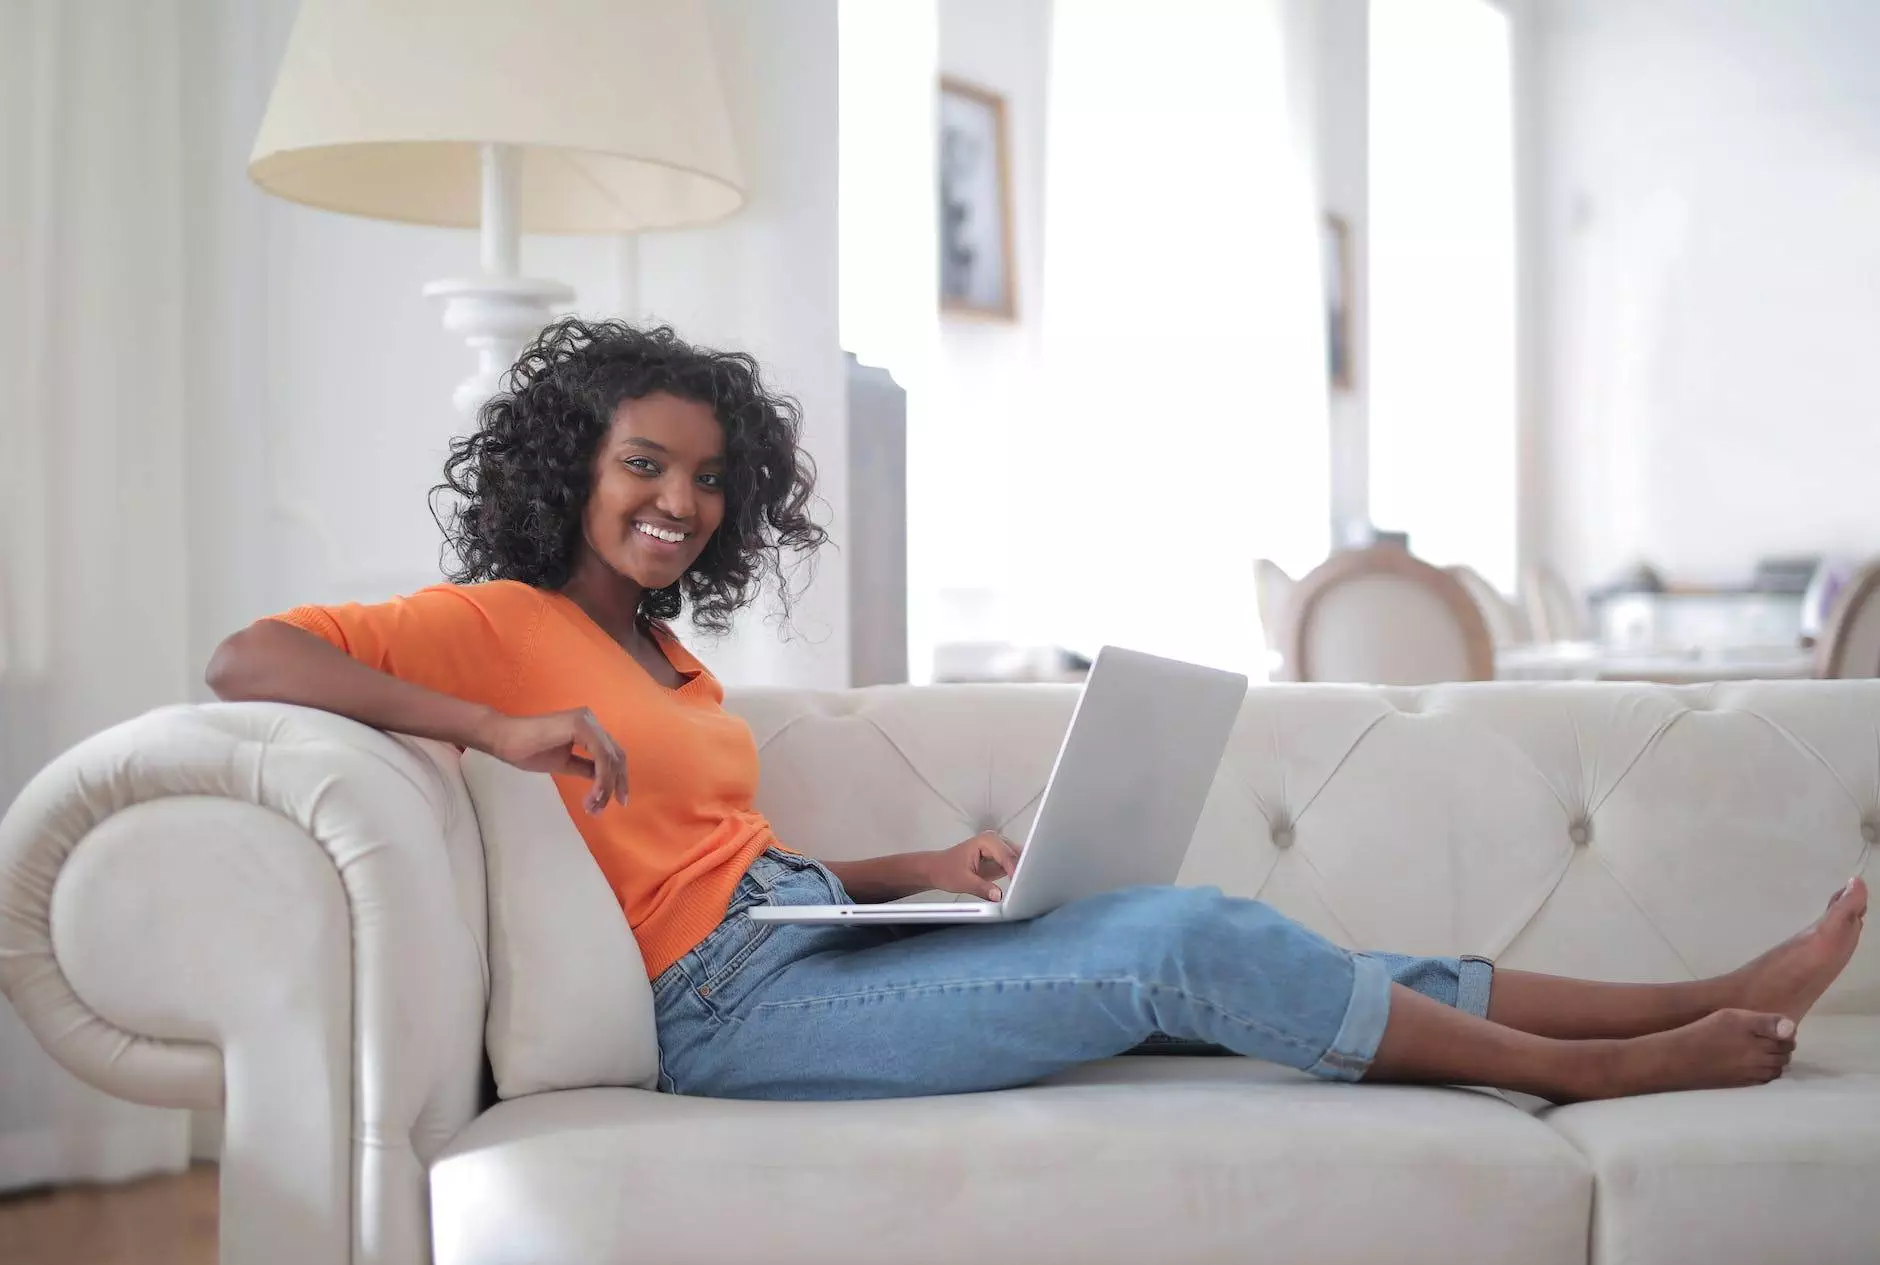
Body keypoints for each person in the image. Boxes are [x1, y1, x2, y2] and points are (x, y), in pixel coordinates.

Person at [207, 318, 1868, 1102]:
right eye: (646, 465)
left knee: (1217, 934)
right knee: (1182, 941)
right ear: (573, 466)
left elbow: (719, 859)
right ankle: (1581, 1074)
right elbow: (250, 658)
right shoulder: (492, 626)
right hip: (718, 1019)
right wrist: (487, 733)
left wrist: (917, 861)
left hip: (787, 946)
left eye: (711, 478)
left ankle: (1700, 987)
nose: (681, 502)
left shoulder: (670, 663)